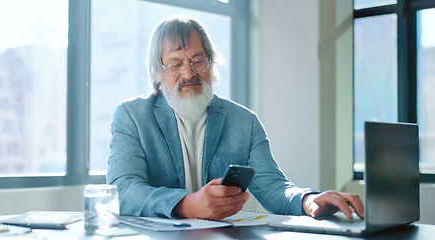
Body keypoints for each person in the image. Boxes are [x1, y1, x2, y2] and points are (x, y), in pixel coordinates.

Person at [106, 15, 364, 221]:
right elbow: (123, 189)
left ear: (210, 64)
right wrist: (188, 204)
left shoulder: (244, 121)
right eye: (175, 64)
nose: (189, 73)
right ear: (157, 73)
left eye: (198, 60)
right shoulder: (132, 116)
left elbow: (274, 187)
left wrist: (308, 200)